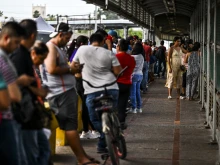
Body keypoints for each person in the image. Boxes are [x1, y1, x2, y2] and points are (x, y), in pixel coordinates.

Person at [40, 22, 100, 165]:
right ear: (61, 34)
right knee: (70, 126)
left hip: (64, 91)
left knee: (71, 126)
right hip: (60, 93)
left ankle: (83, 156)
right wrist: (71, 70)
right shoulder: (51, 47)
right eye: (67, 38)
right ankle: (82, 159)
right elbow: (51, 69)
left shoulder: (58, 48)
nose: (68, 40)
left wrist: (72, 67)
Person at [72, 33, 122, 153]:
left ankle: (104, 135)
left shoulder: (82, 49)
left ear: (90, 41)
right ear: (103, 41)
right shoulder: (109, 53)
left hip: (92, 91)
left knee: (94, 118)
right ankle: (115, 129)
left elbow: (74, 68)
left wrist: (81, 73)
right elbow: (117, 71)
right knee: (112, 111)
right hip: (111, 88)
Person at [10, 19, 50, 165]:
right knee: (32, 154)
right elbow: (17, 85)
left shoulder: (21, 53)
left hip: (28, 113)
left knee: (42, 150)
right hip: (24, 114)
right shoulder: (19, 55)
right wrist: (38, 92)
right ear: (33, 35)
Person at [0, 21, 24, 165]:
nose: (16, 48)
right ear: (7, 38)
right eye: (16, 43)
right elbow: (11, 98)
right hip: (5, 120)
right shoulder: (2, 60)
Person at [67, 36, 99, 139]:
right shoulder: (80, 52)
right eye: (87, 42)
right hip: (82, 81)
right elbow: (76, 68)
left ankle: (89, 130)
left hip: (78, 82)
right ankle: (87, 130)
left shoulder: (75, 51)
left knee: (86, 106)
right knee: (87, 106)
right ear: (82, 44)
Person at [115, 39, 135, 129]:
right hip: (126, 84)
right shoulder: (131, 59)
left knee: (113, 105)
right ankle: (121, 123)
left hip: (115, 84)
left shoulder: (115, 57)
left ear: (118, 47)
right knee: (122, 106)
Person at [128, 42, 144, 113]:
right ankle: (139, 108)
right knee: (137, 92)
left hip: (133, 75)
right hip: (140, 75)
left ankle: (133, 108)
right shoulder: (141, 56)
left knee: (133, 93)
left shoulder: (132, 57)